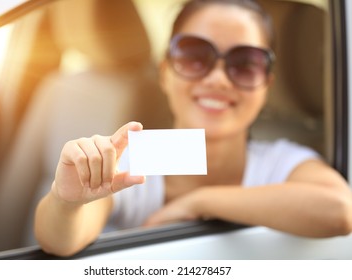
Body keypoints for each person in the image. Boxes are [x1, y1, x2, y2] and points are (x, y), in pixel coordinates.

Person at [34, 0, 352, 257]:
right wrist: (66, 202)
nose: (218, 78)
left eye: (244, 63)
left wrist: (200, 201)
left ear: (266, 85)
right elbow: (61, 242)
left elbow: (340, 211)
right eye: (195, 56)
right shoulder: (135, 160)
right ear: (165, 73)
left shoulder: (280, 161)